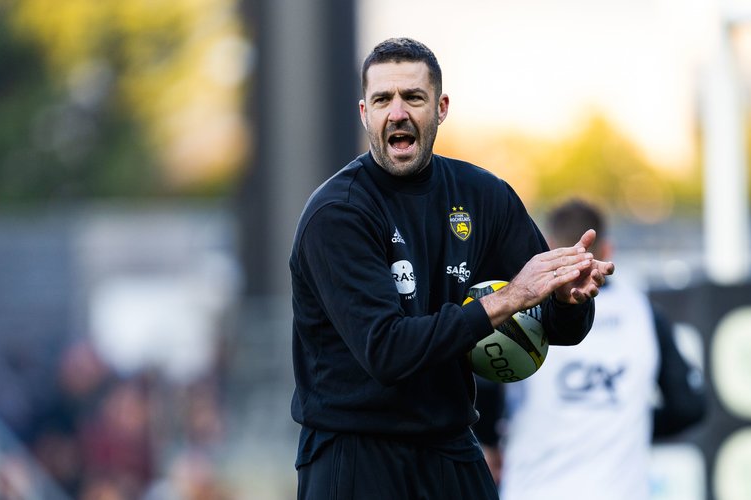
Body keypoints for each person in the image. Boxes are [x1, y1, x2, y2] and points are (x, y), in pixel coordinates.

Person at [288, 38, 615, 499]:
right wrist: (509, 299)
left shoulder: (484, 195)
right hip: (356, 452)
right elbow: (386, 351)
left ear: (440, 108)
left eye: (413, 98)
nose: (397, 113)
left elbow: (558, 326)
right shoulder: (337, 214)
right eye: (382, 100)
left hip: (449, 445)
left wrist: (567, 300)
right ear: (365, 113)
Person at [486, 198, 705, 500]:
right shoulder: (643, 313)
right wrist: (630, 421)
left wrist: (490, 442)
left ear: (548, 247)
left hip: (532, 489)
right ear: (608, 252)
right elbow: (688, 406)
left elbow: (485, 387)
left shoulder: (523, 308)